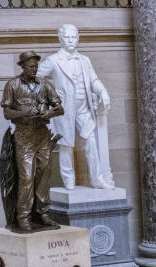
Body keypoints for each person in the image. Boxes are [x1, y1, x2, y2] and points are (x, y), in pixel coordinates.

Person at [36, 23, 115, 190]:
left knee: (91, 141)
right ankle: (68, 179)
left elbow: (93, 80)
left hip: (83, 107)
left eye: (74, 37)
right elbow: (36, 78)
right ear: (61, 39)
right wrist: (51, 96)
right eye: (67, 37)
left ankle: (97, 179)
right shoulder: (54, 60)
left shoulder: (85, 60)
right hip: (64, 108)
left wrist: (103, 91)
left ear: (78, 39)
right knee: (66, 143)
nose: (71, 40)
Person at [0, 51, 64, 232]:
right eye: (30, 66)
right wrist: (24, 113)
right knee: (27, 177)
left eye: (36, 66)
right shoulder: (12, 85)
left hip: (42, 135)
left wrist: (49, 113)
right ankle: (23, 216)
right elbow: (7, 113)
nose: (34, 69)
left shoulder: (45, 85)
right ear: (22, 66)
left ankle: (43, 213)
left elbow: (60, 108)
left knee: (44, 176)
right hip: (24, 137)